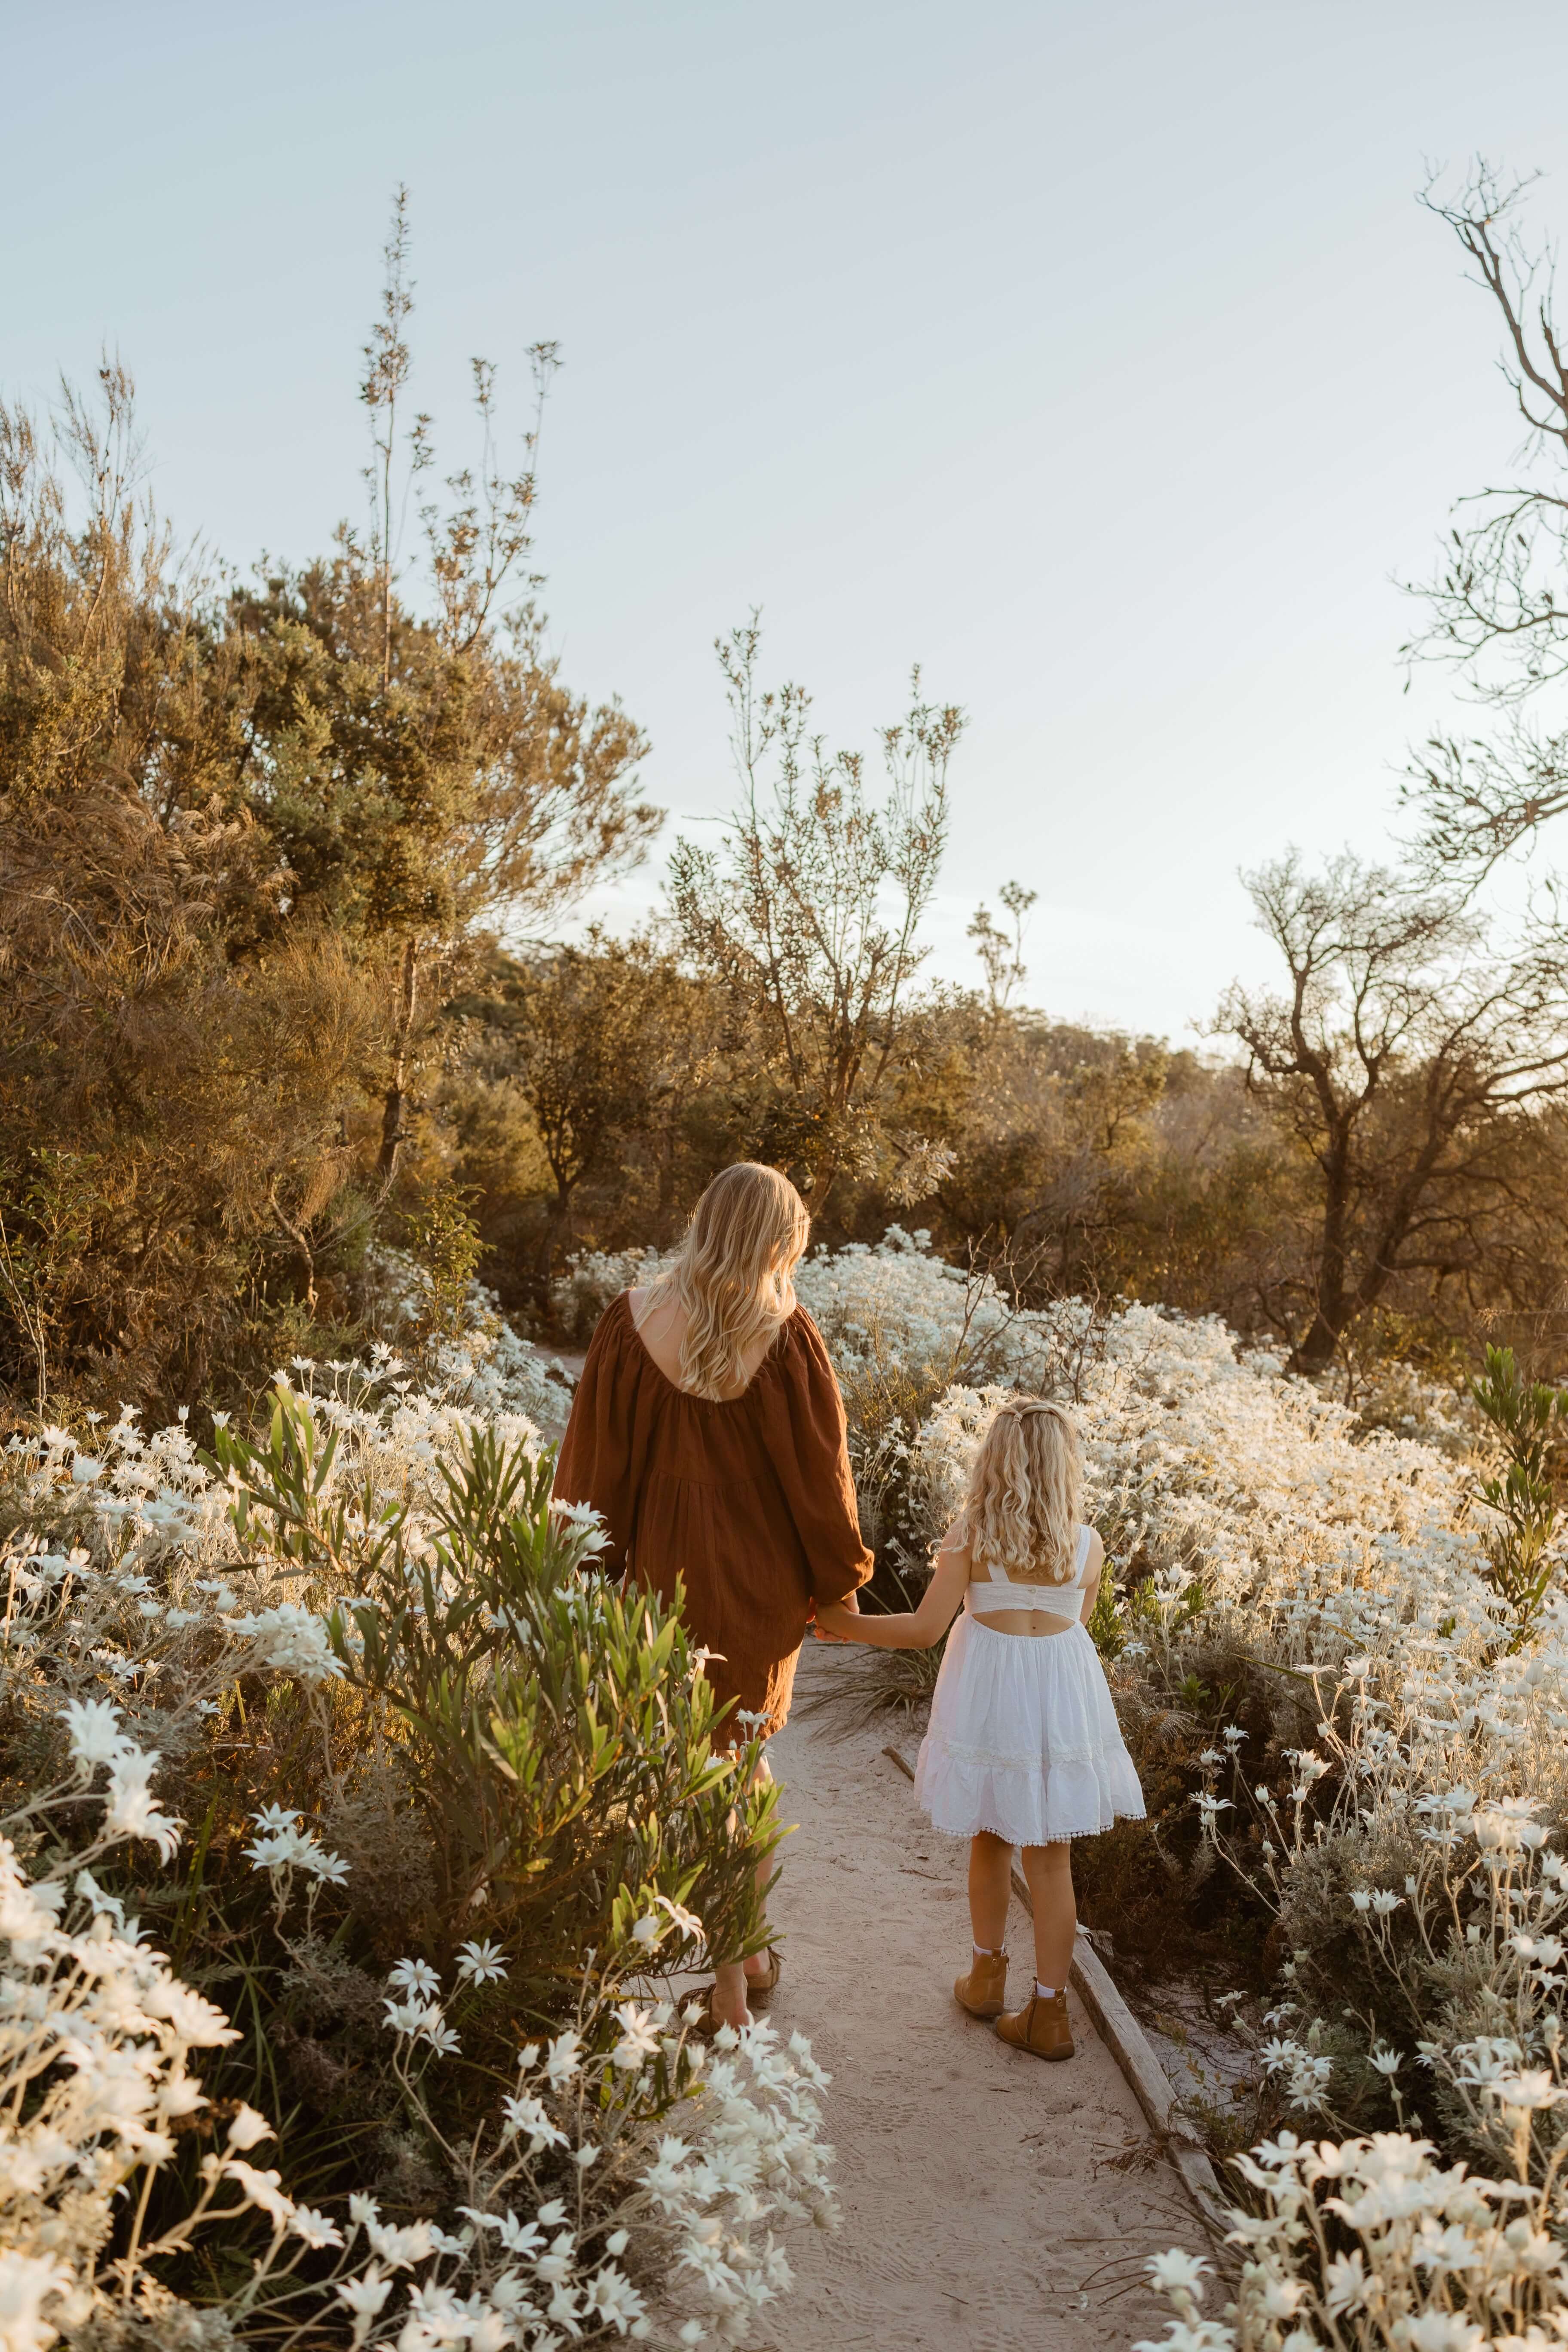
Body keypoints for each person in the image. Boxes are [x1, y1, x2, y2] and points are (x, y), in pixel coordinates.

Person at [552, 1162, 873, 2030]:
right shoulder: (789, 1333)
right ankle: (743, 1978)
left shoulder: (631, 1321)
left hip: (662, 1587)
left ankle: (740, 1975)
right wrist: (838, 1582)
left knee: (702, 1781)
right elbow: (821, 1483)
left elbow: (591, 1468)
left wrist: (584, 1577)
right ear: (780, 1239)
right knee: (743, 1772)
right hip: (758, 1590)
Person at [816, 1398, 1144, 2060]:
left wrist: (840, 1623)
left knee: (990, 1839)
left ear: (996, 1463)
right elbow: (1071, 1625)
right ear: (1063, 1469)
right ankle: (1049, 2014)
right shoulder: (1089, 1545)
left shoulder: (973, 1534)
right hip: (1059, 1704)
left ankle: (986, 1976)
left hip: (994, 1702)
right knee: (1053, 1859)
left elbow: (922, 1630)